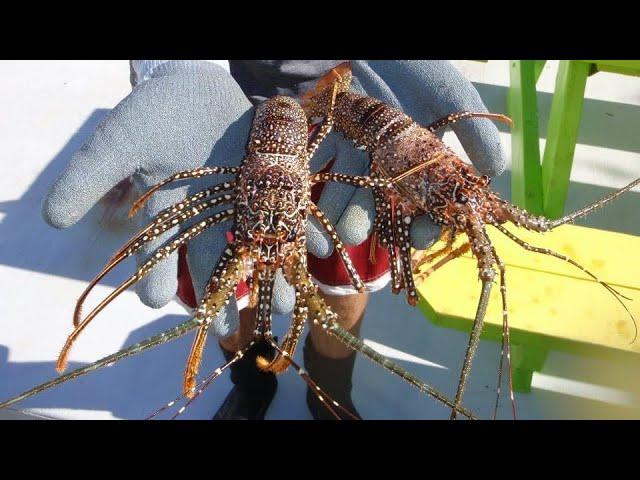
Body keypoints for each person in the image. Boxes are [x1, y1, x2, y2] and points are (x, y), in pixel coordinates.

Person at [43, 60, 506, 420]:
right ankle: (251, 382)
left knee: (342, 274)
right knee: (218, 287)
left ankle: (329, 390)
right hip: (218, 117)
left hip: (349, 107)